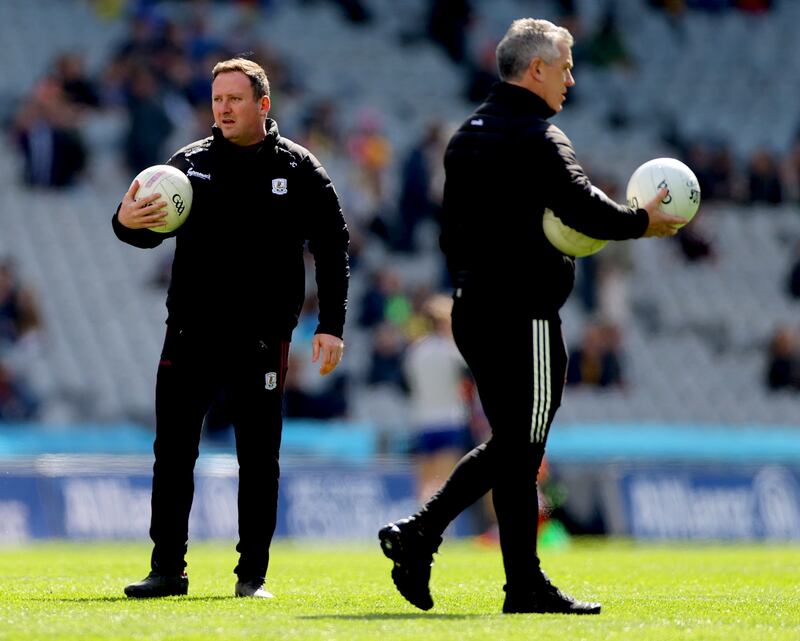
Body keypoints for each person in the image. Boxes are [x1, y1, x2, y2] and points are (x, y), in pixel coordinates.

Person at [378, 18, 683, 615]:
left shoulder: (464, 137)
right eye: (565, 66)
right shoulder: (540, 137)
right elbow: (586, 209)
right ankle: (428, 535)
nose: (571, 77)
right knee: (521, 447)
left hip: (473, 309)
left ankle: (509, 578)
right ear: (536, 68)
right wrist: (643, 220)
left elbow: (450, 235)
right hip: (526, 317)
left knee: (511, 448)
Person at [113, 58, 349, 599]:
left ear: (263, 105)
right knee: (173, 451)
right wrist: (124, 221)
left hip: (262, 338)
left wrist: (330, 324)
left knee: (258, 458)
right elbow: (144, 230)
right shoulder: (186, 167)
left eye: (234, 99)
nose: (222, 108)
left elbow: (334, 246)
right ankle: (167, 570)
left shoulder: (298, 168)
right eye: (217, 99)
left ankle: (251, 578)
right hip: (190, 332)